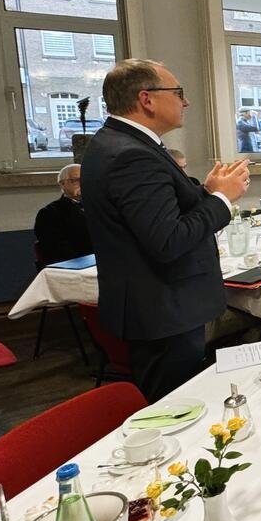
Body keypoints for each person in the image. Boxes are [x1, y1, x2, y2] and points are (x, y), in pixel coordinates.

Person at [81, 58, 250, 401]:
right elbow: (168, 240)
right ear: (147, 99)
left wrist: (205, 193)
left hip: (158, 304)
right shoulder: (131, 156)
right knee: (173, 407)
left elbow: (157, 212)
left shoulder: (119, 143)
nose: (185, 101)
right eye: (178, 92)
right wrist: (222, 200)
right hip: (162, 307)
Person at [33, 163, 92, 265]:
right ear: (62, 184)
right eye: (76, 180)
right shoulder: (49, 213)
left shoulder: (100, 206)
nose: (82, 183)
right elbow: (56, 250)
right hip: (76, 265)